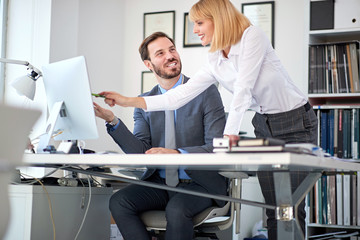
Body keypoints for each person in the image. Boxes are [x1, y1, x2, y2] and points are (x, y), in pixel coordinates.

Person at [98, 1, 318, 239]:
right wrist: (126, 101)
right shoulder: (214, 58)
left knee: (289, 207)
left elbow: (244, 89)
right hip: (263, 123)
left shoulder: (252, 36)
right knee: (274, 208)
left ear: (219, 19)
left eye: (200, 23)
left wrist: (228, 137)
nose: (195, 30)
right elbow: (176, 98)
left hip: (295, 121)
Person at [94, 31, 227, 240]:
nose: (170, 56)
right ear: (149, 64)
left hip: (200, 183)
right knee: (118, 202)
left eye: (172, 49)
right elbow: (140, 152)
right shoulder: (144, 102)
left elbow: (216, 146)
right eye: (160, 53)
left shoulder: (205, 92)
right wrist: (113, 121)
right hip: (161, 182)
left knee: (176, 209)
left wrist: (176, 153)